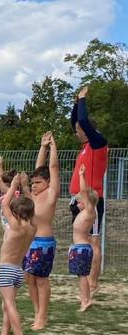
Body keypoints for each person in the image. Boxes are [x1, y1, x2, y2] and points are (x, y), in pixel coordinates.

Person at [68, 86, 108, 293]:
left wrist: (83, 100)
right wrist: (76, 103)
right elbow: (75, 121)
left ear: (87, 131)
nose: (76, 132)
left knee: (92, 240)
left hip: (92, 200)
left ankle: (93, 282)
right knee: (81, 239)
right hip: (78, 200)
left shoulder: (98, 143)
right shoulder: (85, 146)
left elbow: (82, 121)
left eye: (78, 130)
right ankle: (84, 279)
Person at [0, 167, 35, 335]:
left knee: (9, 304)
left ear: (16, 213)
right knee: (6, 305)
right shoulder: (31, 228)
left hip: (7, 269)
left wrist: (14, 186)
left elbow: (4, 205)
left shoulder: (15, 225)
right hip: (18, 270)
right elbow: (30, 204)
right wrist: (24, 188)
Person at [24, 132, 59, 331]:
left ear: (46, 183)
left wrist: (53, 146)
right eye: (32, 183)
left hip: (44, 243)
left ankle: (42, 316)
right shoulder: (34, 196)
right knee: (29, 278)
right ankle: (37, 312)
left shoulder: (50, 194)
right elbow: (39, 169)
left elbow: (52, 168)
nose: (33, 185)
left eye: (37, 183)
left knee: (41, 280)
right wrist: (42, 147)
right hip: (30, 242)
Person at [70, 165, 98, 312]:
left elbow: (84, 193)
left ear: (89, 202)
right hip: (80, 247)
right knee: (82, 275)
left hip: (82, 248)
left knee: (82, 276)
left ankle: (85, 301)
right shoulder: (84, 213)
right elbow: (82, 194)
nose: (78, 203)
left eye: (81, 201)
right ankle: (85, 297)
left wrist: (82, 176)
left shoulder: (89, 211)